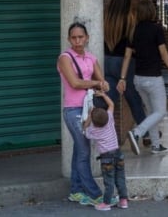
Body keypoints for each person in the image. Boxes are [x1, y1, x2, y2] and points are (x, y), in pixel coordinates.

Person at [57, 22, 108, 207]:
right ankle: (95, 195)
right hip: (73, 110)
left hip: (89, 109)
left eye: (81, 37)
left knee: (80, 150)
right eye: (74, 37)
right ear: (69, 39)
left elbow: (102, 82)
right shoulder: (65, 58)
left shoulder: (91, 58)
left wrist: (101, 84)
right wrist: (95, 83)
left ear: (87, 38)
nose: (78, 41)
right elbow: (75, 83)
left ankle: (76, 192)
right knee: (84, 151)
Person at [120, 0, 168, 155]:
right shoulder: (156, 29)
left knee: (152, 111)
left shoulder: (133, 31)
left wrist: (122, 78)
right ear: (152, 11)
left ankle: (156, 145)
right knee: (160, 112)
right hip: (153, 78)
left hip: (137, 80)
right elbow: (163, 53)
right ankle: (137, 132)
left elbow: (127, 56)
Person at [104, 0, 155, 147]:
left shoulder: (105, 18)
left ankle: (105, 135)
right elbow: (134, 44)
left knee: (108, 100)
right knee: (133, 99)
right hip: (125, 63)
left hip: (106, 61)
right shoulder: (131, 19)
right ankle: (146, 133)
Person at [84, 91, 129, 211]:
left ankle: (106, 203)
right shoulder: (109, 119)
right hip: (118, 153)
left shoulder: (93, 130)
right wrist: (104, 95)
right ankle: (123, 201)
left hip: (106, 158)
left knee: (109, 182)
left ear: (94, 121)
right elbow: (112, 105)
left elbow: (84, 129)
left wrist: (89, 116)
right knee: (120, 178)